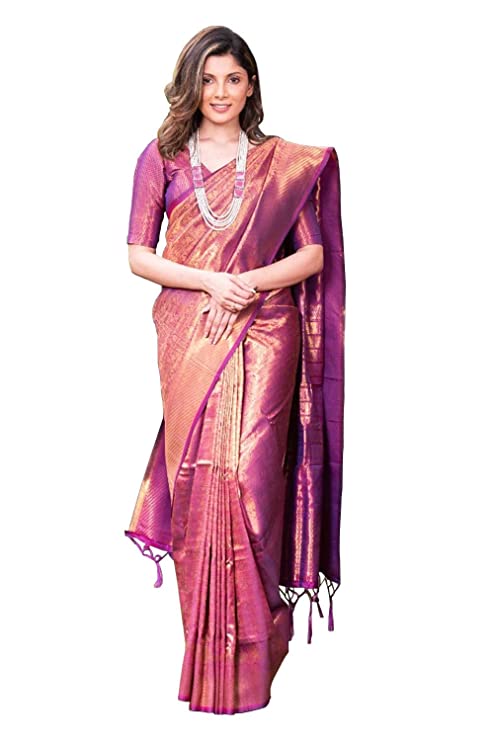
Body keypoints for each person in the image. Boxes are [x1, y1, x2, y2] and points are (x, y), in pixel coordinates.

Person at [124, 25, 346, 715]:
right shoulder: (162, 157)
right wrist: (209, 283)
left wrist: (246, 283)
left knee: (253, 479)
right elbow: (137, 254)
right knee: (196, 478)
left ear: (250, 87)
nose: (220, 92)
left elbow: (312, 255)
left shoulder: (280, 164)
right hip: (192, 329)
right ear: (190, 85)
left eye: (233, 79)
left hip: (267, 327)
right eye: (208, 79)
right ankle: (207, 657)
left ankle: (256, 650)